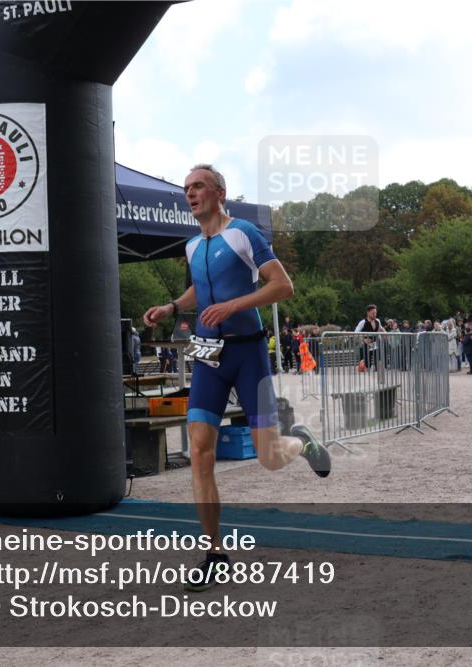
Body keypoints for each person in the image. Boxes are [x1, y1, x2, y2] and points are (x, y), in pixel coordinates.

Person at [142, 164, 329, 593]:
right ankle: (214, 555)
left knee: (268, 457)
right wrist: (172, 307)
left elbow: (284, 286)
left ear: (219, 192)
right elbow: (201, 293)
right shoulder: (193, 247)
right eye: (186, 188)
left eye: (198, 186)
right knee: (200, 450)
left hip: (247, 352)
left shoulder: (242, 233)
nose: (191, 194)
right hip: (209, 357)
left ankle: (301, 441)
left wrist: (232, 307)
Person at [355, 304, 383, 370]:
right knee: (367, 364)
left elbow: (381, 329)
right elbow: (355, 333)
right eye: (373, 313)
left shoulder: (377, 321)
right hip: (366, 346)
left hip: (376, 344)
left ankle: (378, 376)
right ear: (368, 312)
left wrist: (387, 335)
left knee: (378, 361)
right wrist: (363, 339)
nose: (375, 314)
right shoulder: (363, 322)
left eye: (375, 313)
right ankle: (364, 370)